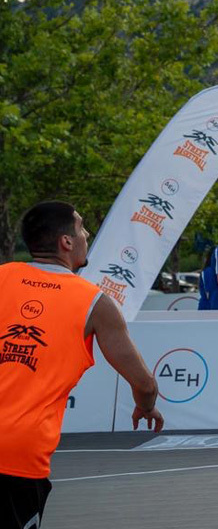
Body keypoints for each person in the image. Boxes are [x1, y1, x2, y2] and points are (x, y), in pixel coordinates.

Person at [1, 201, 164, 529]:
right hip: (16, 453)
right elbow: (144, 384)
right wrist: (145, 406)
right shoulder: (94, 303)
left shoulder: (3, 277)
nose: (87, 234)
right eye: (81, 227)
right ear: (66, 242)